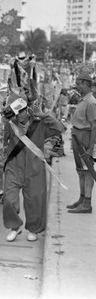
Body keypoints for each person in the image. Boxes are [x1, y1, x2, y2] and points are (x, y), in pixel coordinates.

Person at [2, 97, 64, 242]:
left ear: (27, 110)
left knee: (35, 200)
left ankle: (34, 229)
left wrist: (44, 116)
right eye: (16, 112)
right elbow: (0, 136)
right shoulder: (11, 124)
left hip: (35, 167)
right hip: (14, 167)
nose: (19, 115)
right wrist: (5, 118)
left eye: (21, 112)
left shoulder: (39, 124)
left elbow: (59, 128)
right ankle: (14, 226)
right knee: (9, 199)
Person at [67, 74, 96, 214]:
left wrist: (90, 148)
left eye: (79, 83)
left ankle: (87, 203)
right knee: (80, 171)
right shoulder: (83, 100)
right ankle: (82, 198)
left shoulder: (91, 102)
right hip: (78, 137)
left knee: (87, 171)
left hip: (85, 138)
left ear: (86, 84)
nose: (77, 86)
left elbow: (94, 126)